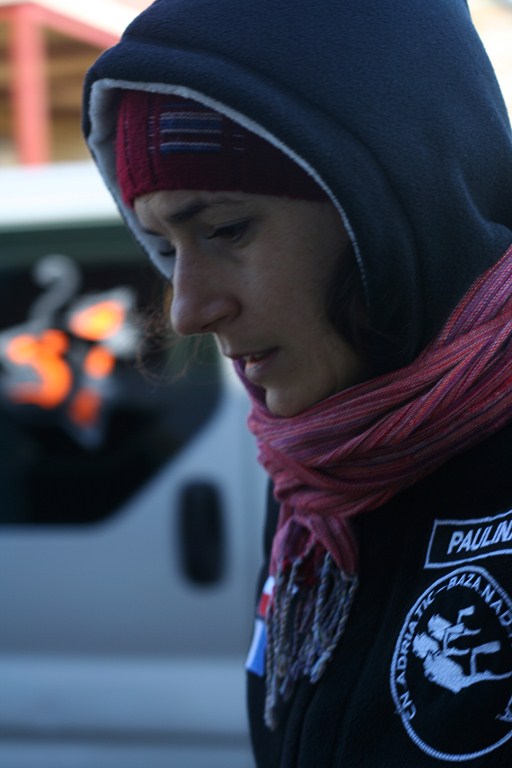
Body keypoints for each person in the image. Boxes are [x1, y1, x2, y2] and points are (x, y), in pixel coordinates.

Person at [82, 0, 512, 764]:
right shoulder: (319, 478)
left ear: (388, 201)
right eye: (165, 248)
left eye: (225, 229)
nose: (187, 310)